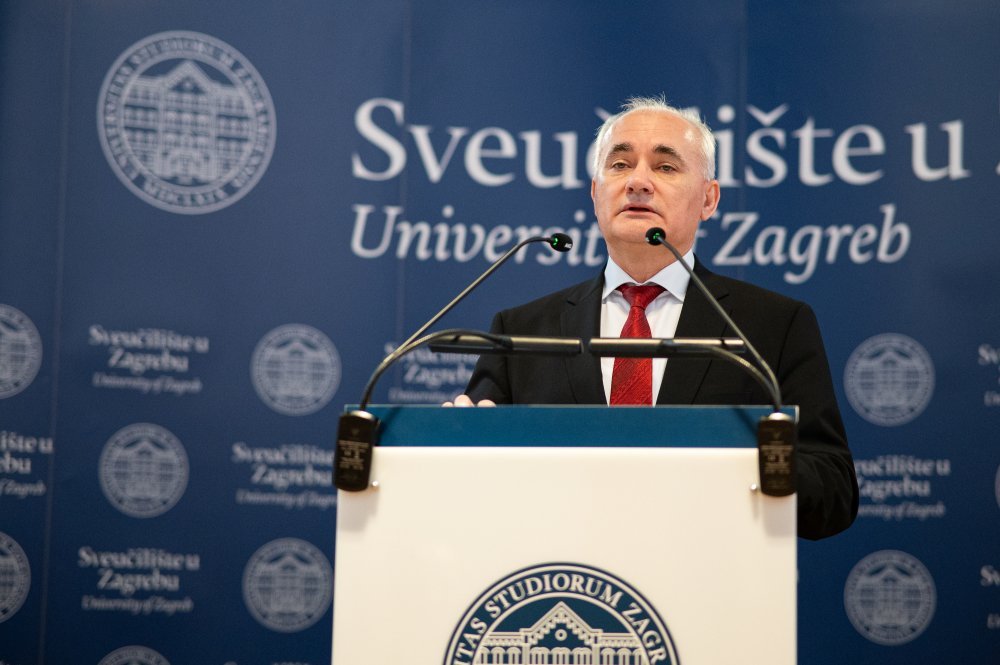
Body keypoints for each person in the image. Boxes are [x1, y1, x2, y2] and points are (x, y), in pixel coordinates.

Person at [448, 96, 858, 540]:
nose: (638, 182)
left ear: (708, 199)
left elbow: (833, 494)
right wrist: (455, 450)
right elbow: (471, 491)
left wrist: (750, 466)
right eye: (620, 165)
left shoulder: (773, 326)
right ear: (595, 193)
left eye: (665, 167)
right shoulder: (521, 331)